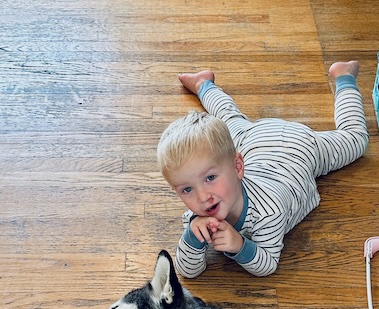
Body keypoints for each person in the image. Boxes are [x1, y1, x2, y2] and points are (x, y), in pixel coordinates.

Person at [156, 62, 368, 278]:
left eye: (210, 177)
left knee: (356, 140)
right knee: (229, 118)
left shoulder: (268, 211)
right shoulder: (199, 213)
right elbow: (187, 271)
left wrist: (240, 246)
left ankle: (344, 76)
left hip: (298, 149)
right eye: (187, 189)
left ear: (238, 167)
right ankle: (203, 84)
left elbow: (267, 264)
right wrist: (192, 238)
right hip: (252, 139)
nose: (202, 197)